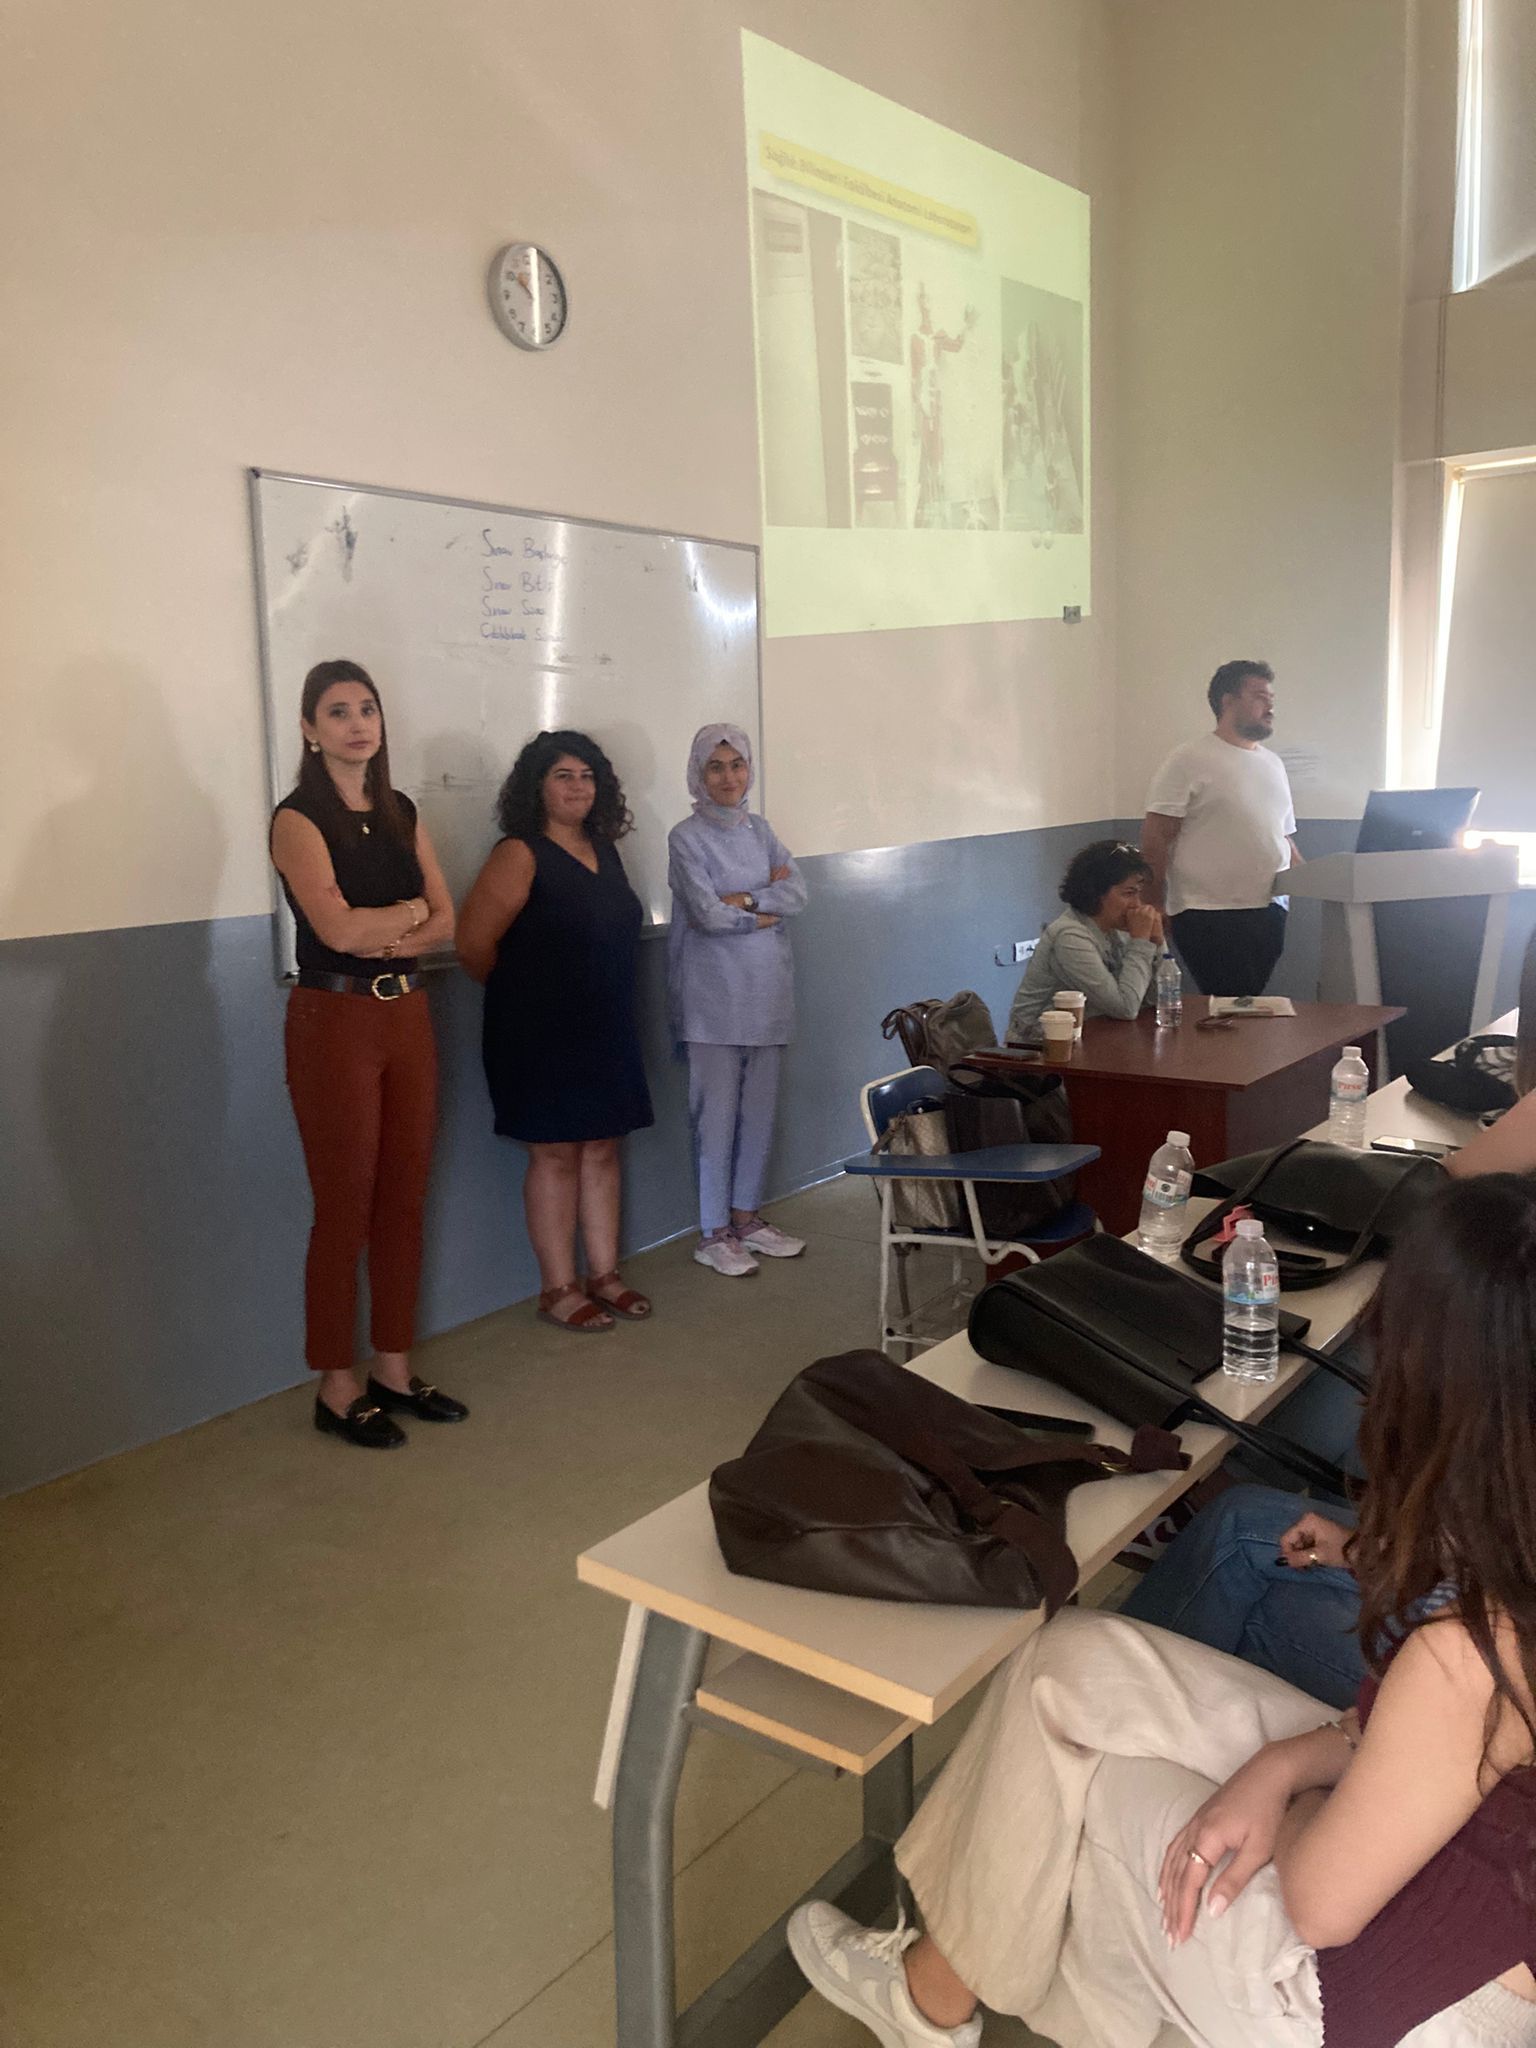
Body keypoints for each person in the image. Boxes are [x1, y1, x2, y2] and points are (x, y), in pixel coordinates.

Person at [790, 1174, 1536, 2048]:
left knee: (1079, 1780)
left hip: (1399, 2005)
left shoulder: (1472, 1652)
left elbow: (1323, 1905)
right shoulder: (1504, 1556)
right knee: (1065, 1666)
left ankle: (931, 2001)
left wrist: (1283, 1792)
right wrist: (1294, 1758)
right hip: (1446, 1855)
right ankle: (987, 1984)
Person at [269, 659, 468, 1449]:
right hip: (335, 1021)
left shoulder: (400, 810)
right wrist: (409, 915)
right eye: (338, 711)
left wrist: (396, 921)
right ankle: (336, 1384)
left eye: (367, 709)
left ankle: (391, 1368)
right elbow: (338, 932)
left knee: (404, 1197)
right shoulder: (297, 819)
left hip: (407, 1014)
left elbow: (447, 919)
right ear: (310, 730)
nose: (357, 724)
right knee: (344, 1205)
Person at [457, 730, 654, 1333]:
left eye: (587, 776)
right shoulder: (520, 853)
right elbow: (473, 946)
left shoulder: (605, 850)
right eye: (563, 776)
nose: (578, 787)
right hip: (537, 1034)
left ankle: (604, 1275)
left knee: (602, 1146)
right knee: (556, 1154)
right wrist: (530, 998)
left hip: (606, 1025)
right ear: (537, 787)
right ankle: (558, 1288)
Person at [667, 724, 808, 1277]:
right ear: (698, 774)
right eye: (716, 767)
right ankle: (714, 1232)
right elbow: (706, 914)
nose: (729, 777)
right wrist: (764, 913)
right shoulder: (685, 838)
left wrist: (746, 900)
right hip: (712, 1001)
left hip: (767, 994)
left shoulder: (761, 830)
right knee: (716, 1118)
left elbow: (797, 892)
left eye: (737, 765)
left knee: (759, 1114)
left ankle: (746, 1218)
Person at [1141, 660, 1303, 998]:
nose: (1270, 707)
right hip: (1207, 910)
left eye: (1271, 698)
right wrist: (1153, 902)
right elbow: (1157, 836)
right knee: (1231, 1000)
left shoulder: (1273, 764)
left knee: (1248, 1002)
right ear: (1228, 701)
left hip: (1269, 907)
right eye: (1259, 697)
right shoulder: (1188, 758)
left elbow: (1282, 835)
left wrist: (1314, 879)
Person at [1007, 839, 1163, 1043]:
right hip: (1039, 1049)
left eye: (1138, 893)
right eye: (1128, 893)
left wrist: (1157, 943)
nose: (1137, 904)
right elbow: (1126, 1007)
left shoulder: (1119, 930)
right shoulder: (1070, 937)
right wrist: (1141, 942)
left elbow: (1159, 1000)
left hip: (1095, 1038)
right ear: (1096, 893)